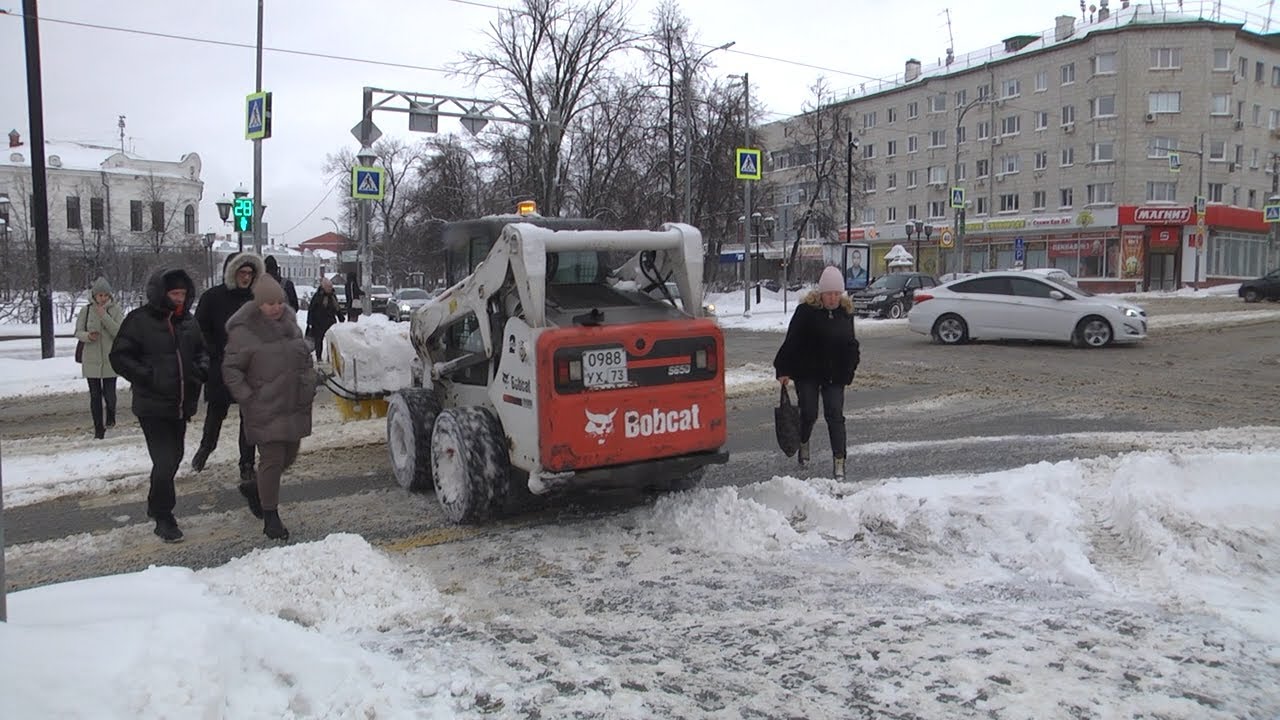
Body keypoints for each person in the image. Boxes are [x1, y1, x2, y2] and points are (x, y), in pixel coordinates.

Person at [109, 267, 208, 542]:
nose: (179, 298)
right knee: (164, 462)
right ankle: (164, 517)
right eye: (174, 293)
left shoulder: (188, 322)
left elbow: (201, 351)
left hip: (180, 405)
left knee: (173, 459)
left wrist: (202, 369)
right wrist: (148, 375)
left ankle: (155, 505)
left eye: (183, 293)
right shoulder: (138, 321)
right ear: (161, 293)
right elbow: (119, 356)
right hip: (152, 405)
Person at [223, 274, 319, 541]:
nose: (275, 307)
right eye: (269, 303)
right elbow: (231, 369)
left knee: (288, 457)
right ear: (258, 304)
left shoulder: (291, 325)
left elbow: (304, 360)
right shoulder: (244, 332)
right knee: (272, 460)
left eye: (279, 302)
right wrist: (247, 396)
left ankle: (256, 488)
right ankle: (271, 518)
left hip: (293, 405)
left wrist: (309, 382)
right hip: (263, 407)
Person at [773, 265, 860, 478]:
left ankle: (839, 461)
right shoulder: (806, 312)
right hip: (807, 372)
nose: (833, 298)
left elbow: (851, 344)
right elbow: (792, 341)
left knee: (835, 415)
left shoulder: (845, 313)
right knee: (809, 412)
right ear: (821, 293)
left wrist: (849, 369)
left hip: (835, 374)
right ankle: (803, 442)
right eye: (829, 294)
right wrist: (783, 368)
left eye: (837, 294)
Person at [192, 252, 265, 481]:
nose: (246, 277)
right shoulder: (213, 297)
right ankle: (206, 447)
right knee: (216, 411)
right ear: (232, 272)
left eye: (250, 273)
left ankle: (247, 464)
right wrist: (213, 350)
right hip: (221, 365)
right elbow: (199, 328)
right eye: (242, 273)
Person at [75, 277, 124, 439]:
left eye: (106, 295)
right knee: (95, 396)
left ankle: (111, 415)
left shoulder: (116, 310)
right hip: (91, 360)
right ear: (94, 296)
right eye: (99, 295)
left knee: (109, 395)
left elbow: (119, 332)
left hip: (110, 359)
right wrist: (88, 336)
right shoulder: (86, 310)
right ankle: (98, 428)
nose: (102, 298)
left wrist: (104, 316)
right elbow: (78, 332)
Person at [304, 276, 344, 360]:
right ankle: (319, 357)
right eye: (329, 287)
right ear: (323, 287)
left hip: (330, 323)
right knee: (319, 341)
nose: (330, 288)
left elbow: (337, 308)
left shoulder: (333, 296)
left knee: (331, 341)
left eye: (331, 286)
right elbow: (311, 309)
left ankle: (330, 357)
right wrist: (310, 322)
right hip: (318, 323)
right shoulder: (318, 296)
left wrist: (341, 318)